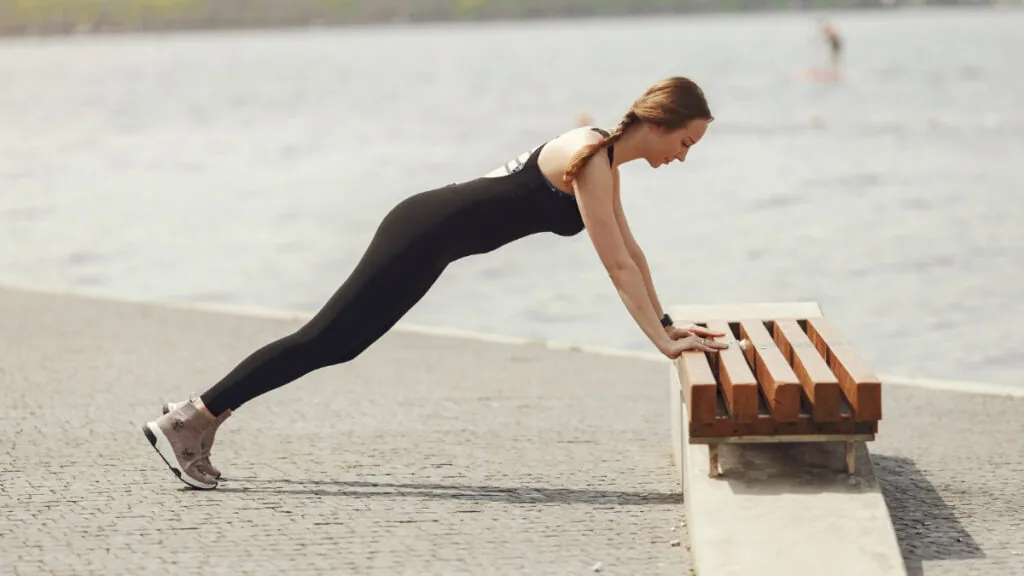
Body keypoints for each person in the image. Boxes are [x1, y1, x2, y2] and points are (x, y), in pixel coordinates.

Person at [142, 76, 731, 490]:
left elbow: (632, 251)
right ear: (658, 123)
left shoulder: (602, 163)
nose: (684, 157)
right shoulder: (590, 155)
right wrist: (660, 342)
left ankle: (201, 415)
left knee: (339, 344)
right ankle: (193, 418)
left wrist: (668, 325)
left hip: (434, 238)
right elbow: (615, 266)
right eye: (685, 143)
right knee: (325, 339)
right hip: (424, 229)